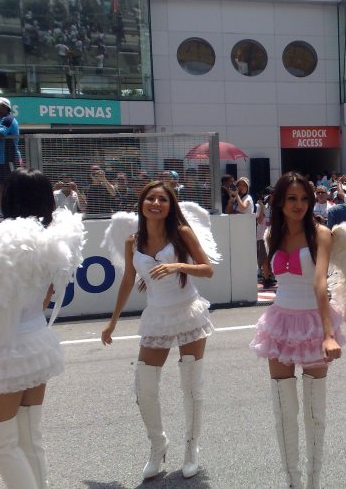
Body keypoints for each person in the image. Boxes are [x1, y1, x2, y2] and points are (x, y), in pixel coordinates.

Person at [101, 181, 215, 480]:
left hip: (189, 311)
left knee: (191, 384)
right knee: (144, 387)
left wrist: (178, 266)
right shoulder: (132, 241)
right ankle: (158, 444)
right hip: (156, 317)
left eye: (162, 199)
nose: (156, 203)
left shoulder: (182, 234)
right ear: (142, 204)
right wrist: (113, 320)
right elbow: (128, 280)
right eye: (150, 198)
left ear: (170, 205)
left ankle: (191, 448)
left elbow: (207, 269)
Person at [0, 168, 84, 489]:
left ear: (8, 198)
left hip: (4, 348)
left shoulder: (0, 243)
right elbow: (47, 296)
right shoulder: (52, 239)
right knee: (29, 436)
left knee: (0, 444)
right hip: (37, 342)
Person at [249, 172, 344, 489]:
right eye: (292, 198)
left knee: (315, 411)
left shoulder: (321, 234)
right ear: (279, 201)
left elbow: (320, 283)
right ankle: (293, 480)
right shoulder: (270, 236)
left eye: (304, 198)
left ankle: (313, 482)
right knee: (283, 409)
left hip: (315, 322)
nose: (299, 204)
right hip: (279, 322)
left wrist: (328, 334)